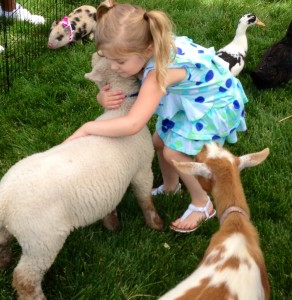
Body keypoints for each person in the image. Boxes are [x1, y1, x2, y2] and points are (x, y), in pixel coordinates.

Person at [64, 0, 248, 233]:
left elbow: (133, 123)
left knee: (174, 151)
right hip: (195, 98)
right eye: (107, 58)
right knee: (159, 141)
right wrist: (102, 97)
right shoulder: (149, 44)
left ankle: (203, 203)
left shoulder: (157, 74)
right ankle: (171, 186)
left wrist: (88, 128)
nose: (113, 66)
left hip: (216, 105)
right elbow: (125, 89)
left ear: (147, 51)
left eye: (119, 61)